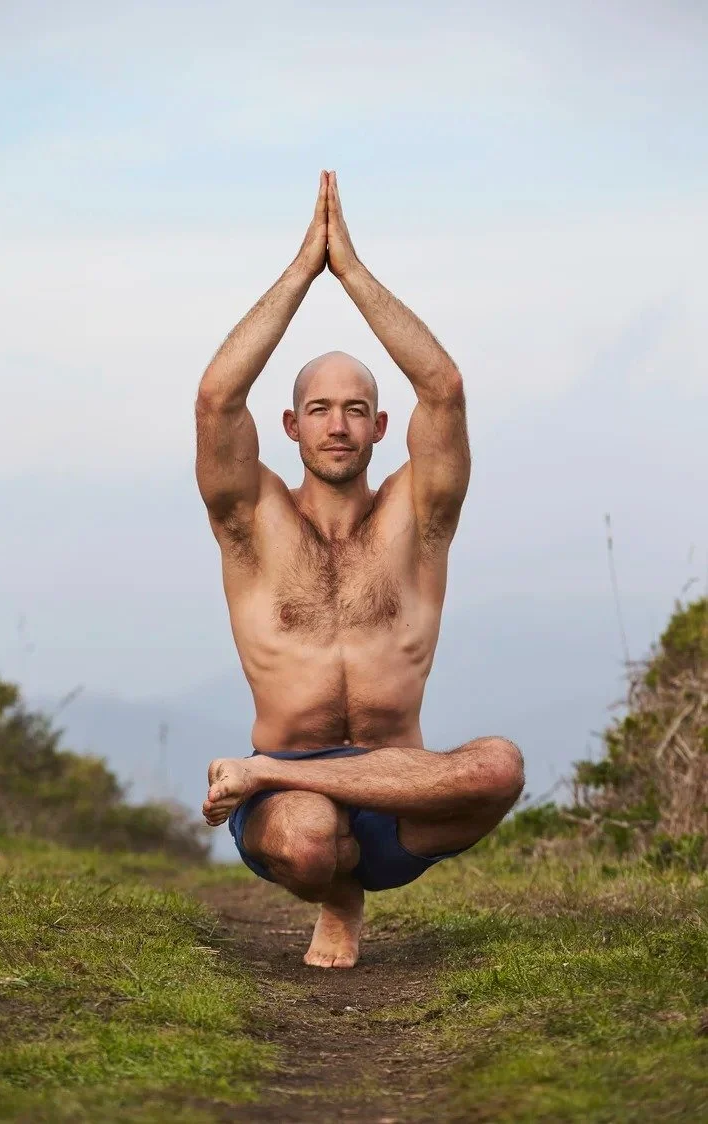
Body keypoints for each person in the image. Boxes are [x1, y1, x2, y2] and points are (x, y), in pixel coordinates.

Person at [196, 170, 523, 969]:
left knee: (500, 765)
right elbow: (214, 400)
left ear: (380, 426)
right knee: (309, 838)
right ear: (291, 425)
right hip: (288, 795)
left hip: (393, 791)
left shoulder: (421, 520)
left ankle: (285, 798)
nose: (336, 426)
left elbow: (442, 388)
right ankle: (335, 902)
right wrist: (306, 269)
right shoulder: (252, 523)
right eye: (318, 410)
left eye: (353, 411)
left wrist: (352, 271)